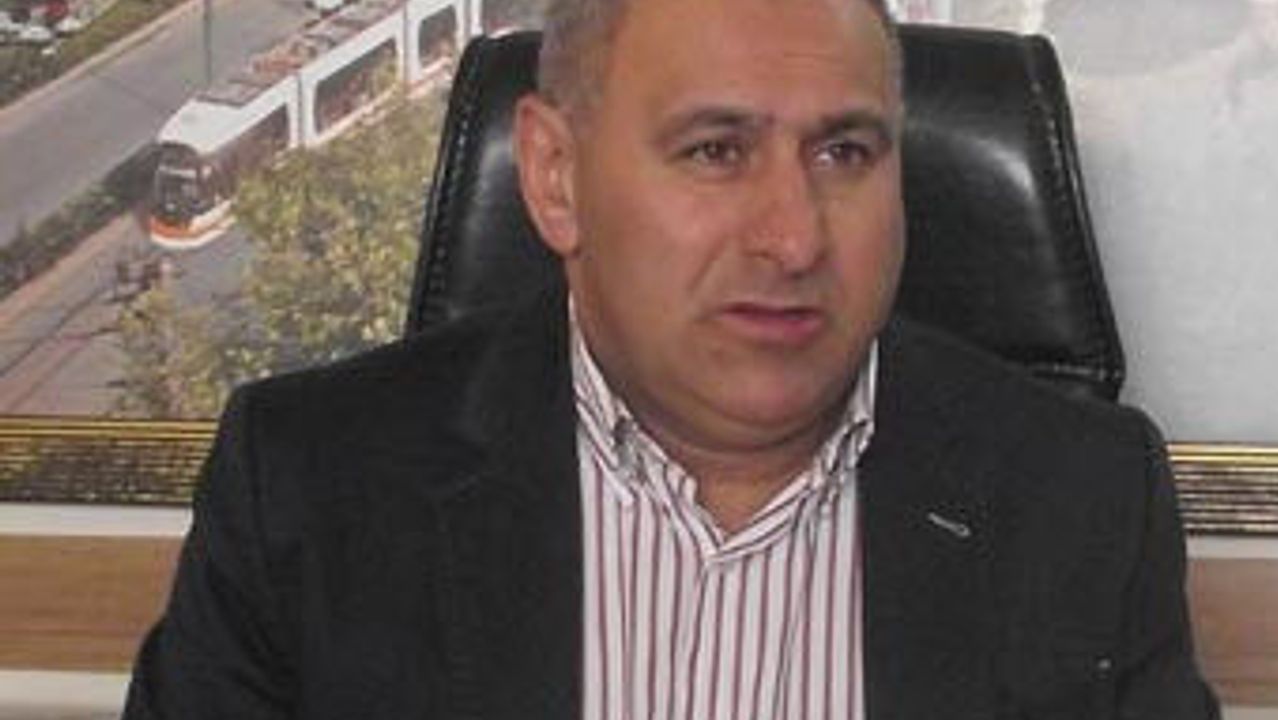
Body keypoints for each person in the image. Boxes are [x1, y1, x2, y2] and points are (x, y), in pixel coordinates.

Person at [122, 0, 1220, 717]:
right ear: (555, 177)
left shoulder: (1079, 499)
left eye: (844, 151)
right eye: (715, 151)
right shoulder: (310, 489)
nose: (792, 238)